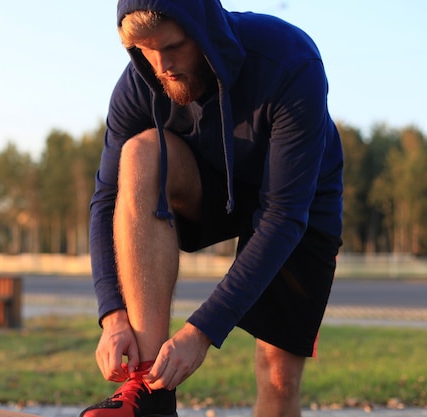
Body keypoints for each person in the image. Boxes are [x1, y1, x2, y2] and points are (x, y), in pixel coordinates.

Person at [83, 0, 343, 416]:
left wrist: (200, 332)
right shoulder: (138, 84)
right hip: (206, 188)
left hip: (298, 202)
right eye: (146, 50)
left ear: (203, 30)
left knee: (277, 373)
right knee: (140, 154)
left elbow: (283, 215)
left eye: (173, 46)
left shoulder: (291, 61)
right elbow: (105, 200)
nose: (161, 65)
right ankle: (151, 394)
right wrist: (112, 314)